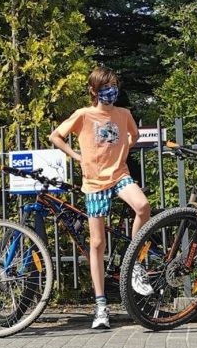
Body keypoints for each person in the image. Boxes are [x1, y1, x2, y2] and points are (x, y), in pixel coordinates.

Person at [49, 66, 152, 330]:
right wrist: (77, 156)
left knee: (143, 207)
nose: (111, 91)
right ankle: (101, 306)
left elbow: (134, 136)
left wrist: (120, 153)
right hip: (94, 183)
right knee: (97, 243)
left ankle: (134, 262)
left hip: (119, 176)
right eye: (106, 86)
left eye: (114, 85)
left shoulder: (124, 114)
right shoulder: (84, 115)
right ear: (94, 90)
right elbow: (56, 136)